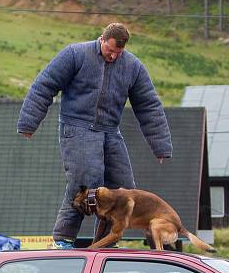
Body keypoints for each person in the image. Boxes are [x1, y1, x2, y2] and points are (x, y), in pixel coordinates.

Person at [17, 22, 172, 249]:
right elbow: (44, 86)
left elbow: (149, 105)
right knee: (85, 183)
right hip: (76, 126)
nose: (112, 56)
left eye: (118, 53)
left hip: (110, 130)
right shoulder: (75, 54)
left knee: (124, 188)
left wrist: (161, 145)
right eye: (109, 51)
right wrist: (29, 122)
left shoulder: (132, 66)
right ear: (102, 39)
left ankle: (106, 242)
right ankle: (63, 239)